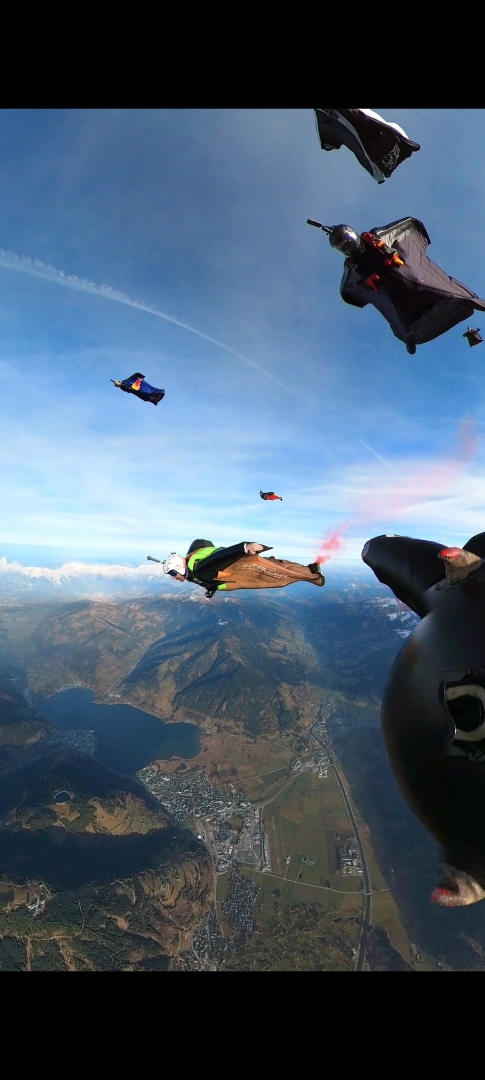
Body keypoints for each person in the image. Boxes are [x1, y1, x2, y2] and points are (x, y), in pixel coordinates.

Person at [161, 538, 325, 597]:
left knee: (274, 576)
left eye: (173, 573)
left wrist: (244, 547)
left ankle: (313, 575)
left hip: (237, 575)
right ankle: (309, 570)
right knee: (276, 565)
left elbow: (218, 557)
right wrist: (211, 587)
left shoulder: (199, 569)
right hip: (232, 573)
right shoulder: (192, 561)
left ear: (179, 567)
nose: (174, 577)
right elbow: (203, 544)